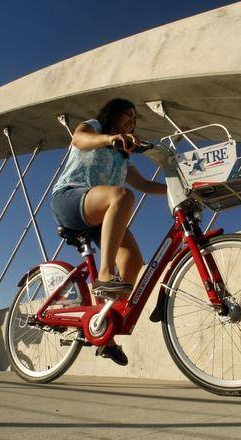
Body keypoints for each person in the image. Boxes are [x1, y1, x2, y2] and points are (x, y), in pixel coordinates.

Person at [50, 98, 167, 366]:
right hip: (69, 199)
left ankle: (104, 329)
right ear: (112, 114)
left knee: (134, 260)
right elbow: (79, 140)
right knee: (121, 196)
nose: (132, 121)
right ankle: (104, 274)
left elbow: (145, 184)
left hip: (99, 213)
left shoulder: (122, 157)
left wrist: (178, 185)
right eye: (128, 114)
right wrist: (110, 138)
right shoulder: (93, 127)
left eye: (135, 119)